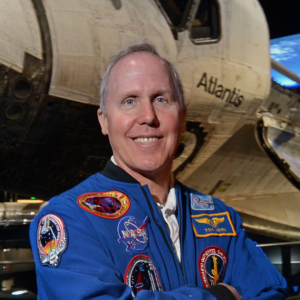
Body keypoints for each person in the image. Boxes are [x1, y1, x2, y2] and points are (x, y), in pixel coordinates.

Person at [30, 42, 288, 299]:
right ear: (104, 120)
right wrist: (219, 297)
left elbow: (270, 293)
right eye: (129, 101)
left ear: (183, 117)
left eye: (161, 99)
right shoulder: (69, 218)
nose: (148, 116)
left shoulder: (221, 218)